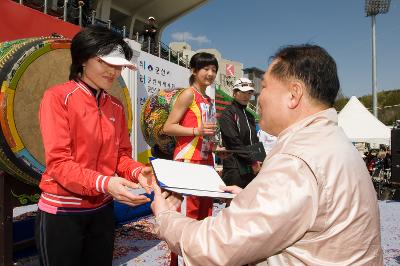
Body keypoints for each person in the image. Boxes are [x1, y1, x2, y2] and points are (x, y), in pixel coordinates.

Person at [151, 44, 382, 265]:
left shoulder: (296, 161)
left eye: (265, 87)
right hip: (195, 162)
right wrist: (250, 197)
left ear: (294, 95)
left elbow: (217, 244)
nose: (258, 97)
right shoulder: (332, 141)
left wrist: (164, 218)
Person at [35, 26, 154, 266]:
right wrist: (106, 182)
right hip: (63, 210)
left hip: (102, 209)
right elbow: (59, 163)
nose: (113, 72)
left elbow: (120, 155)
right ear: (82, 59)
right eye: (105, 63)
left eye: (118, 65)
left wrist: (136, 171)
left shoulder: (116, 106)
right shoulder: (58, 97)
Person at [162, 52, 218, 265]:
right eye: (206, 69)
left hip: (206, 161)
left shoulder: (209, 99)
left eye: (214, 70)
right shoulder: (188, 94)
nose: (210, 74)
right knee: (187, 218)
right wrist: (197, 130)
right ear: (194, 70)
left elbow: (206, 131)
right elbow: (168, 127)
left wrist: (213, 144)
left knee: (205, 218)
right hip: (188, 162)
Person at [219, 78, 260, 188]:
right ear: (234, 93)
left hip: (251, 168)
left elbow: (254, 140)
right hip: (234, 168)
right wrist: (253, 160)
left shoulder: (250, 116)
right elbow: (234, 141)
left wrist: (260, 159)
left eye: (249, 93)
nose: (246, 96)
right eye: (242, 92)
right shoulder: (228, 113)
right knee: (233, 203)